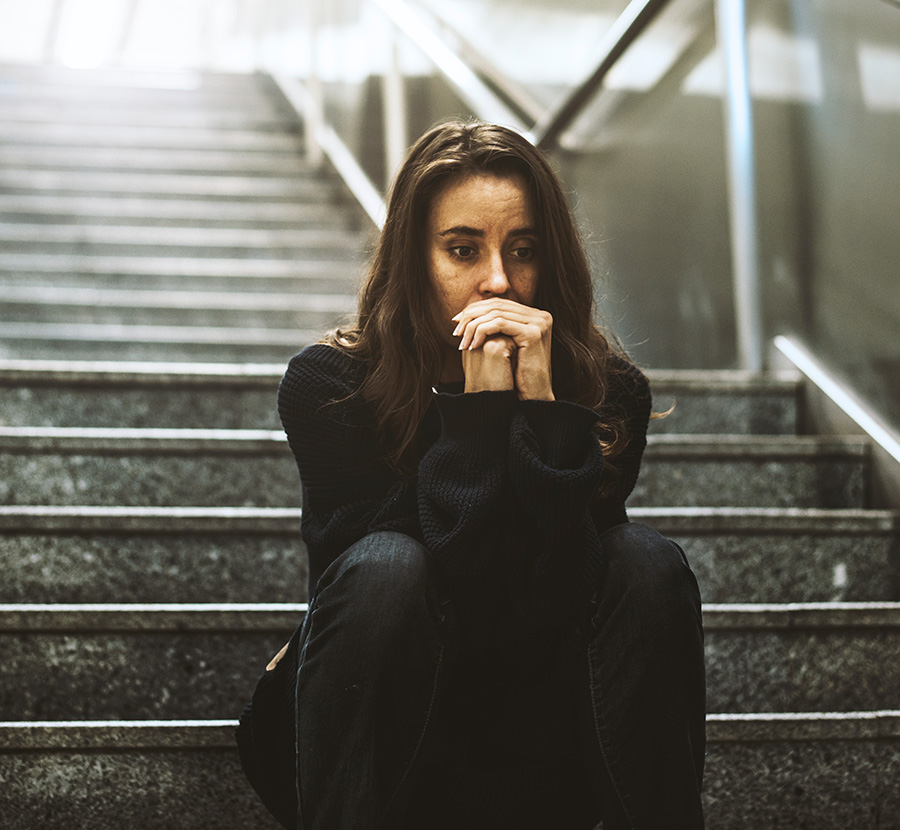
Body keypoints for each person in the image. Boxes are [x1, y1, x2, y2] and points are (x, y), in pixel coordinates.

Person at [236, 120, 706, 830]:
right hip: (394, 740)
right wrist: (481, 413)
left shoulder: (608, 396)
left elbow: (559, 589)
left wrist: (547, 418)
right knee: (389, 567)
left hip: (540, 745)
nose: (499, 282)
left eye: (524, 250)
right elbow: (389, 587)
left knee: (645, 563)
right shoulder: (330, 386)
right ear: (412, 259)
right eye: (463, 249)